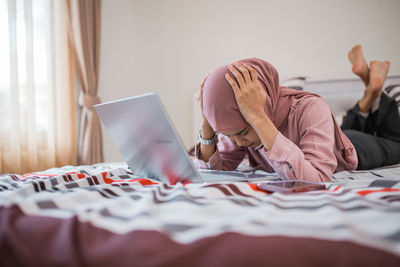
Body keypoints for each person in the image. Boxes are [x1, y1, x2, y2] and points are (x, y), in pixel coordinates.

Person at [194, 45, 400, 182]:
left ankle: (375, 92)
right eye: (229, 135)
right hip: (333, 139)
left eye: (242, 133)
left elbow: (317, 180)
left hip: (356, 150)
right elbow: (214, 173)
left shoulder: (310, 109)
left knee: (396, 141)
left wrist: (259, 118)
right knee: (344, 129)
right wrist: (207, 123)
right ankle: (370, 91)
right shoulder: (238, 126)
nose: (238, 142)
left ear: (262, 105)